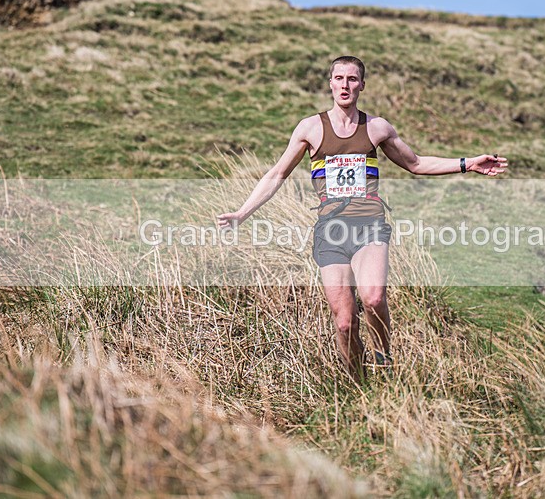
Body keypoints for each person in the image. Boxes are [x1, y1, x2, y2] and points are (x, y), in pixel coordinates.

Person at [217, 55, 508, 380]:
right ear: (330, 83)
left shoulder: (377, 128)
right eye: (339, 78)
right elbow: (276, 174)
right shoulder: (310, 128)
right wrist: (242, 213)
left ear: (362, 85)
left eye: (352, 79)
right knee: (344, 322)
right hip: (331, 231)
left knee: (373, 298)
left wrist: (468, 163)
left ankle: (384, 363)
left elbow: (416, 163)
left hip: (369, 226)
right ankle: (357, 383)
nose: (345, 85)